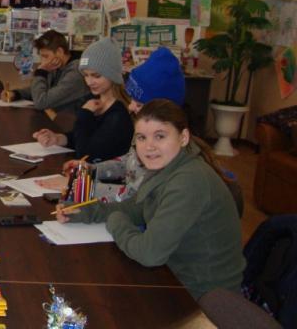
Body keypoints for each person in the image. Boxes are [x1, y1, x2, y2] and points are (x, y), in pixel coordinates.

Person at [55, 100, 245, 300]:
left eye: (160, 136)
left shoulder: (189, 181)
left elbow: (150, 254)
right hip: (176, 277)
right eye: (141, 138)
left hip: (203, 298)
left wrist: (115, 220)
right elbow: (136, 207)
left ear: (183, 137)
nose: (149, 147)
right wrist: (85, 211)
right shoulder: (166, 166)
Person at [61, 47, 186, 202]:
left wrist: (81, 186)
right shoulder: (147, 132)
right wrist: (92, 170)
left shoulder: (166, 152)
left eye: (139, 104)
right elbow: (130, 161)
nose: (130, 107)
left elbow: (136, 196)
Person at [32, 38, 133, 163]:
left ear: (112, 75)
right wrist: (58, 138)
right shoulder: (94, 101)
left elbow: (85, 155)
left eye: (96, 76)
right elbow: (82, 136)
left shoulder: (118, 115)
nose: (89, 82)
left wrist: (85, 114)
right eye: (85, 75)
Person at [1, 30, 90, 125]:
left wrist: (41, 72)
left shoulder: (76, 72)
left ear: (60, 52)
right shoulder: (57, 66)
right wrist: (16, 94)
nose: (42, 62)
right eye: (41, 56)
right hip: (60, 123)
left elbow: (41, 102)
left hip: (73, 127)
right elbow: (40, 89)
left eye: (45, 56)